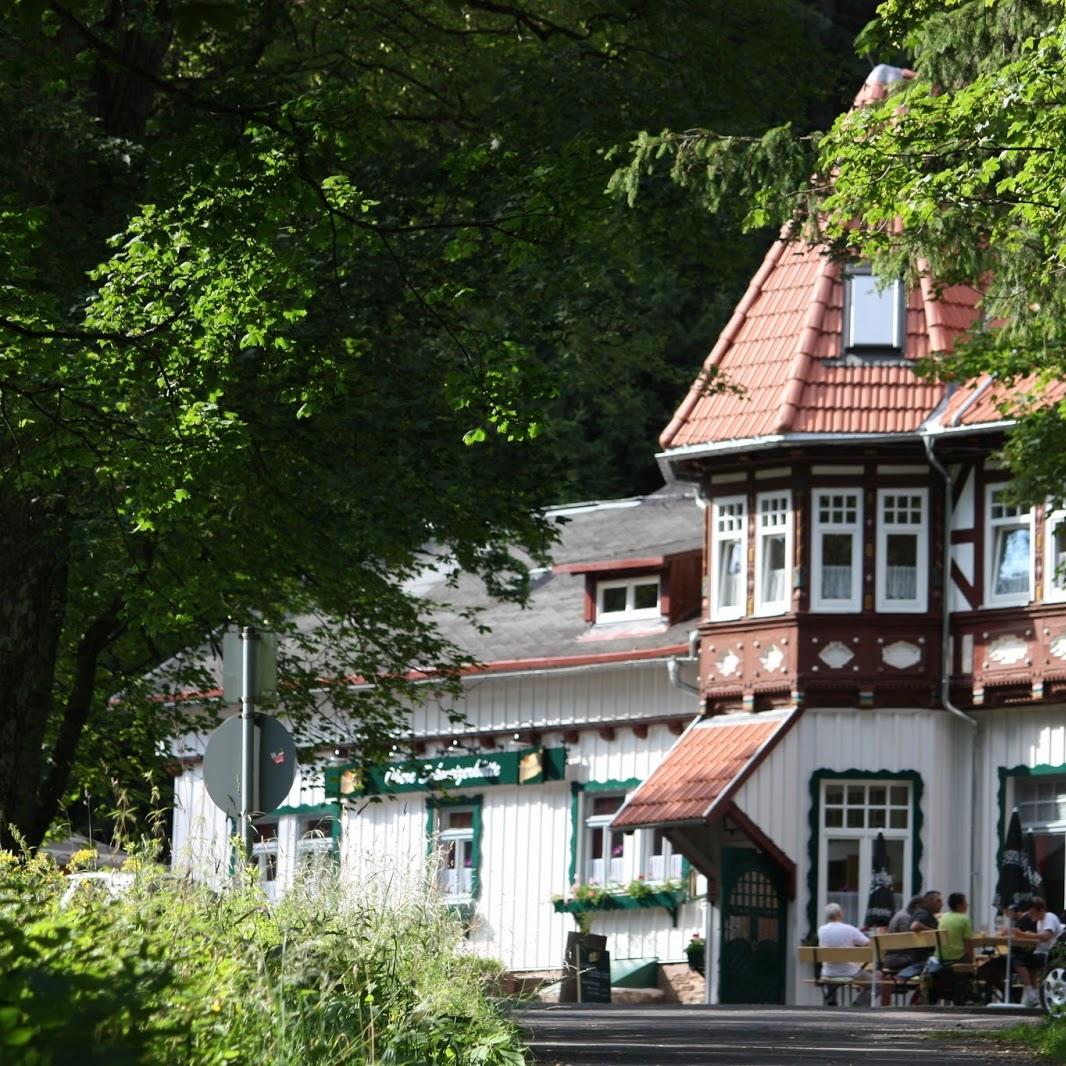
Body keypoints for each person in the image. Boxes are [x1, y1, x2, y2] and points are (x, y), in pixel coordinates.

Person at [1011, 897, 1063, 1007]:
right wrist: (1026, 936)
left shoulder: (1049, 917)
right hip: (1041, 953)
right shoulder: (1040, 921)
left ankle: (1031, 993)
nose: (1030, 915)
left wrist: (1023, 935)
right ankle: (1032, 995)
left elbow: (1045, 936)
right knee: (1027, 959)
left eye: (1032, 912)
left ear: (1041, 910)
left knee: (1018, 959)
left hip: (1051, 954)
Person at [818, 902, 873, 1004]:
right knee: (876, 985)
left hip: (828, 972)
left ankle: (831, 1004)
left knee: (831, 976)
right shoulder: (849, 929)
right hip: (850, 972)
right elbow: (869, 944)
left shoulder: (821, 930)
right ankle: (857, 1005)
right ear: (840, 914)